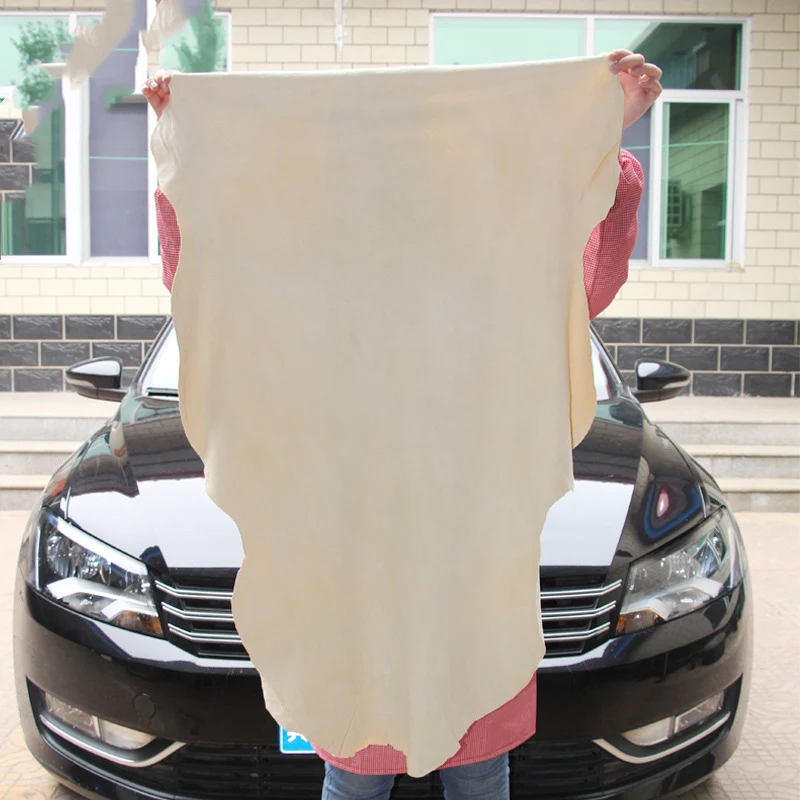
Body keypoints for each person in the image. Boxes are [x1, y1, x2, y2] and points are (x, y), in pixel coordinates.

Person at [144, 48, 662, 800]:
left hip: (470, 565)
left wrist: (602, 126)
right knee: (359, 772)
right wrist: (190, 143)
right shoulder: (316, 277)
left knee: (477, 768)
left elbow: (575, 279)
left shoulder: (488, 266)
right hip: (354, 571)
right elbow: (211, 279)